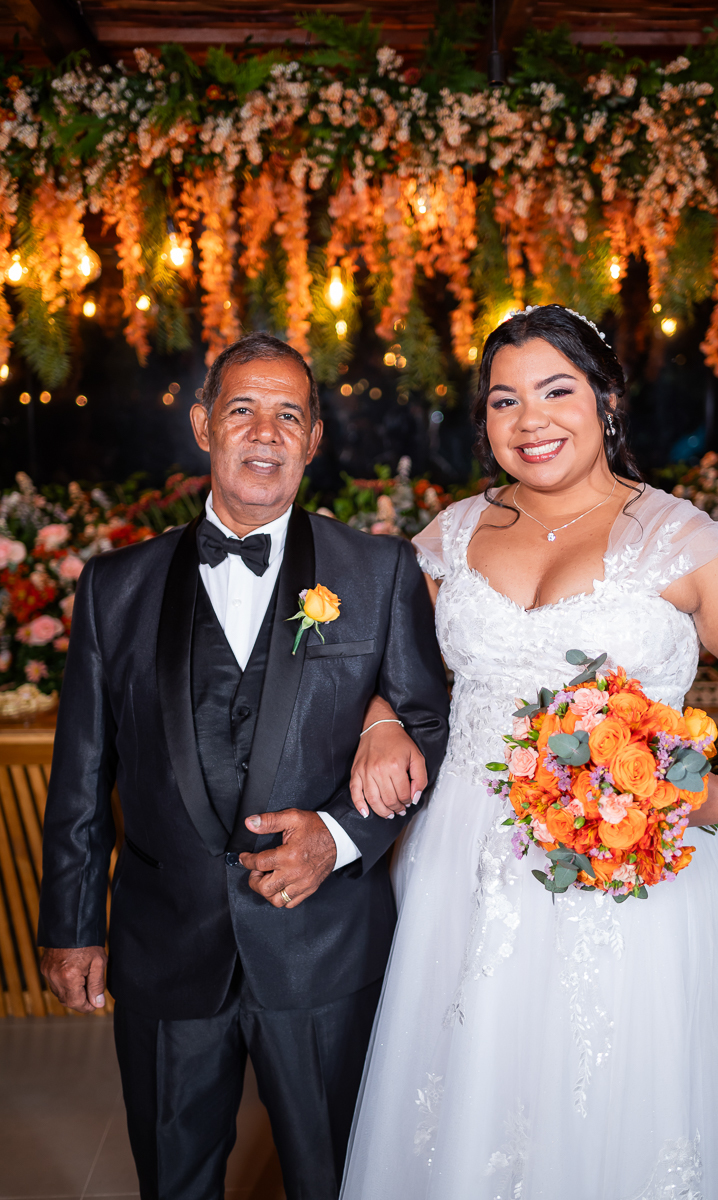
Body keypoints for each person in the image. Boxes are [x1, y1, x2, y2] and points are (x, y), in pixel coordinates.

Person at [341, 305, 718, 1199]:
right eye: (503, 400)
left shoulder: (679, 538)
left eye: (556, 391)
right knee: (466, 1087)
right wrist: (380, 723)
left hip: (635, 868)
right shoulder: (451, 535)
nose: (530, 420)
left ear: (606, 401)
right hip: (461, 867)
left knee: (618, 1096)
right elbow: (372, 664)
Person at [37, 332, 449, 1200]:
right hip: (164, 940)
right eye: (242, 410)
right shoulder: (114, 585)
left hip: (324, 946)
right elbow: (81, 771)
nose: (265, 433)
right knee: (172, 1178)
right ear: (202, 425)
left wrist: (337, 838)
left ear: (312, 440)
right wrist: (71, 923)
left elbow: (427, 726)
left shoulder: (377, 572)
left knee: (335, 1177)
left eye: (287, 415)